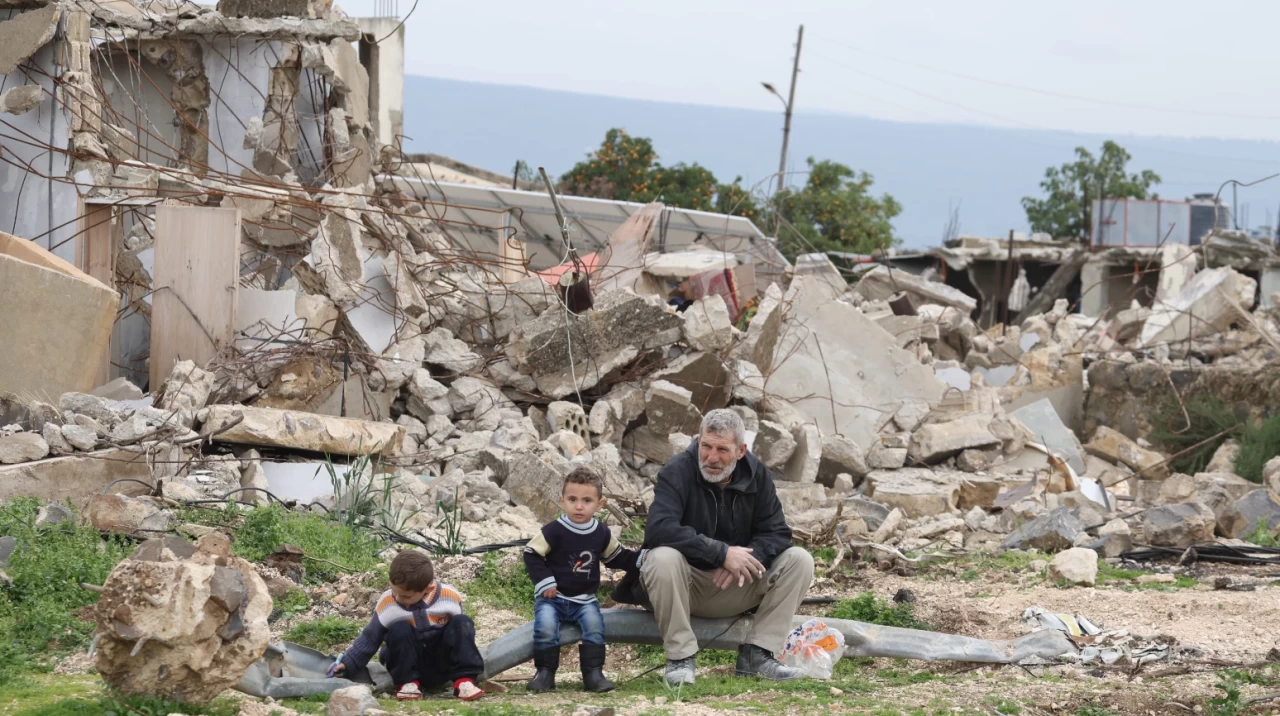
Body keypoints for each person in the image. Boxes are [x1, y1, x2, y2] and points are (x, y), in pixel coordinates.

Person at [638, 408, 814, 687]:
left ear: (741, 451)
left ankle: (758, 655)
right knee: (661, 558)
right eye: (706, 446)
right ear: (698, 440)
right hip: (684, 586)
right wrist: (721, 554)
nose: (711, 457)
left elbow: (777, 532)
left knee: (799, 560)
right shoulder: (676, 471)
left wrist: (743, 561)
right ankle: (680, 659)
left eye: (722, 449)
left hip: (735, 585)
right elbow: (659, 529)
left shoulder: (757, 475)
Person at [522, 467, 642, 693]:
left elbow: (616, 557)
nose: (579, 506)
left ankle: (593, 674)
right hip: (553, 598)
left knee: (595, 628)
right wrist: (545, 581)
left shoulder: (601, 532)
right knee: (546, 627)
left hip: (585, 600)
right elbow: (531, 553)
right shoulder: (553, 530)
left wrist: (642, 559)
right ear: (562, 501)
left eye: (587, 500)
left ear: (600, 504)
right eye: (572, 499)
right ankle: (545, 674)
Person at [328, 550, 484, 701]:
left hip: (442, 665)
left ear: (427, 589)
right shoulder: (387, 603)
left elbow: (460, 638)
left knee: (462, 622)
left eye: (405, 596)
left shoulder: (449, 597)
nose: (397, 598)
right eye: (394, 591)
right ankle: (407, 684)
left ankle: (464, 681)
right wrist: (348, 663)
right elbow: (370, 638)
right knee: (400, 629)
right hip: (405, 665)